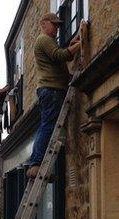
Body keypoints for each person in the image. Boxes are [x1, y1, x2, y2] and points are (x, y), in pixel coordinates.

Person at [26, 12, 80, 178]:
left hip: (51, 89)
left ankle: (37, 164)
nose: (57, 28)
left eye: (58, 25)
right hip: (52, 89)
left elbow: (60, 57)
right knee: (48, 126)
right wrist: (80, 43)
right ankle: (35, 164)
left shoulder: (49, 42)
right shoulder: (43, 40)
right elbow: (59, 56)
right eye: (54, 24)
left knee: (48, 126)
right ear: (43, 24)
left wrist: (70, 45)